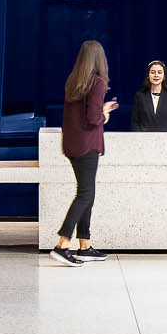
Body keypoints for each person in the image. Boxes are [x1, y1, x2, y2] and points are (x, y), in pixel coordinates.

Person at [53, 39, 117, 264]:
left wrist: (101, 108)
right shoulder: (98, 82)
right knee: (86, 194)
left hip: (72, 143)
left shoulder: (74, 81)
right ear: (100, 59)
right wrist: (105, 115)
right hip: (87, 144)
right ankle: (62, 244)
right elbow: (92, 118)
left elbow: (83, 112)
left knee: (86, 193)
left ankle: (85, 245)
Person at [130, 58, 167, 131]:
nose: (156, 75)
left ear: (164, 76)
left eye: (159, 72)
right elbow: (135, 122)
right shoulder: (139, 95)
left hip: (166, 140)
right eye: (153, 72)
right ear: (148, 75)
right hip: (143, 140)